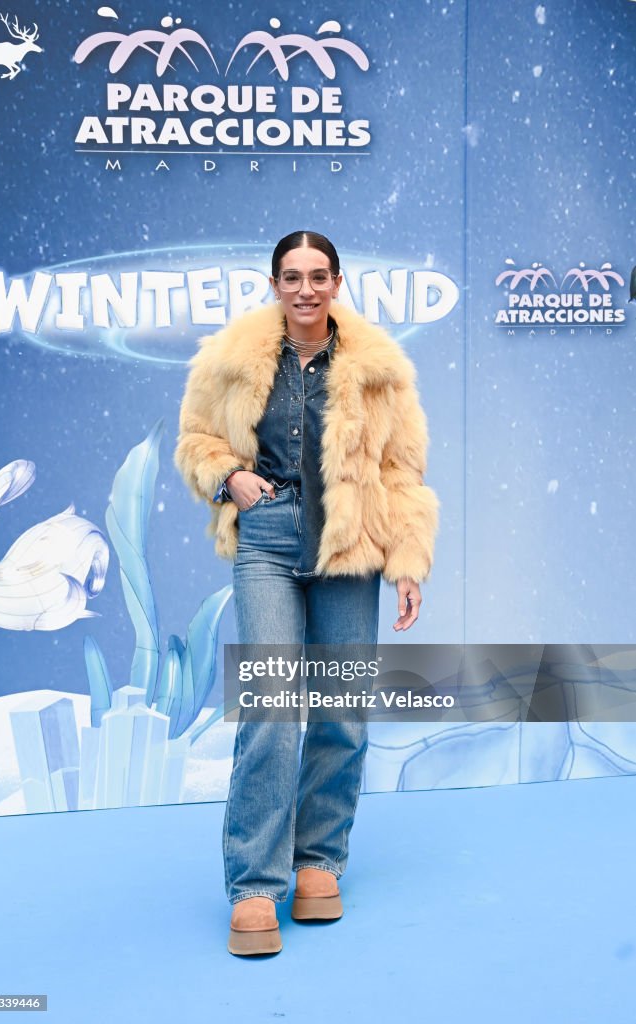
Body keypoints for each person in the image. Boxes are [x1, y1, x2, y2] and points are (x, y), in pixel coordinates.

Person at [174, 231, 439, 956]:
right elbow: (195, 438)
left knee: (341, 713)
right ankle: (255, 886)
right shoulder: (229, 360)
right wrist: (230, 477)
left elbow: (402, 469)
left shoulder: (379, 369)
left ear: (337, 281)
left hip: (351, 546)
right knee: (270, 710)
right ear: (273, 283)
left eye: (318, 276)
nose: (304, 290)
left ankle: (319, 863)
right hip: (266, 537)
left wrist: (408, 561)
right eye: (291, 277)